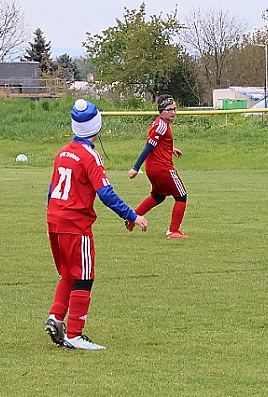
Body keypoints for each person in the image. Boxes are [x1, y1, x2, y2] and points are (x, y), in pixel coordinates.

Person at [45, 99, 148, 350]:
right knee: (85, 276)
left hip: (54, 219)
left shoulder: (63, 152)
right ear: (97, 126)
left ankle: (56, 317)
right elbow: (106, 193)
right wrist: (133, 215)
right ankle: (74, 334)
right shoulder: (90, 156)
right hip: (75, 223)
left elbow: (51, 189)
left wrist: (53, 214)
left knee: (69, 273)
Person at [126, 94, 189, 238]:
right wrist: (135, 168)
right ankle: (173, 231)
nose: (173, 112)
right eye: (169, 109)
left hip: (153, 168)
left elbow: (157, 143)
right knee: (181, 196)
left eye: (174, 109)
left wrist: (170, 149)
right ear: (161, 111)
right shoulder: (161, 125)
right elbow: (148, 147)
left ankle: (132, 218)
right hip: (163, 168)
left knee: (158, 196)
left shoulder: (159, 123)